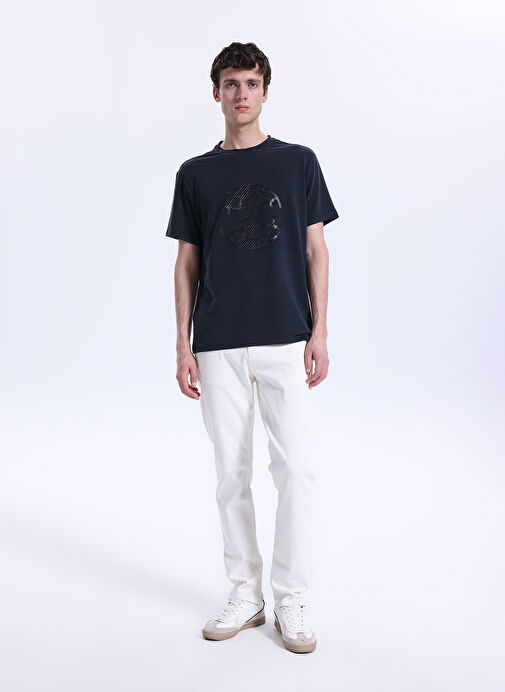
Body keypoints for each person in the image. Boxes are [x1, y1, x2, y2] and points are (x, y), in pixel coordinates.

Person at [165, 41, 339, 654]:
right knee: (230, 473)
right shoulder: (194, 174)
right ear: (216, 92)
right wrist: (183, 344)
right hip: (217, 342)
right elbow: (186, 263)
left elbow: (317, 250)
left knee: (296, 469)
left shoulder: (298, 162)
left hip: (287, 335)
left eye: (252, 83)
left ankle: (291, 598)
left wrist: (319, 331)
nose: (241, 94)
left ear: (266, 91)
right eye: (231, 83)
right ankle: (246, 591)